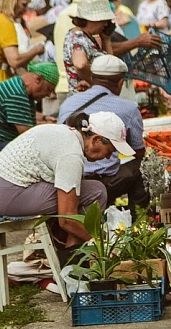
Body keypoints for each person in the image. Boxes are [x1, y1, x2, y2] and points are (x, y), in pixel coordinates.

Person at [0, 111, 132, 248]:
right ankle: (72, 258)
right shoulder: (71, 154)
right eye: (110, 151)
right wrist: (101, 242)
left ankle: (69, 250)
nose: (107, 157)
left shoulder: (64, 132)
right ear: (97, 139)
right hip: (5, 195)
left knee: (82, 190)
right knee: (96, 191)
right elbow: (67, 219)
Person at [48, 0, 161, 116]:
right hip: (86, 102)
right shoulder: (79, 37)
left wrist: (106, 39)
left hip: (93, 100)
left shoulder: (90, 36)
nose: (106, 24)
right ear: (92, 19)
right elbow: (80, 64)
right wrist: (97, 84)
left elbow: (110, 62)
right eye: (104, 20)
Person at [58, 55, 148, 215]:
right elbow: (138, 151)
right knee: (143, 166)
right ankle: (139, 221)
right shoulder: (128, 108)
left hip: (69, 184)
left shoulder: (68, 103)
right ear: (121, 82)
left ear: (92, 77)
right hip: (102, 183)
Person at [0, 62, 59, 164]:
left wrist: (45, 119)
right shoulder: (17, 94)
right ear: (38, 79)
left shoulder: (18, 86)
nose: (48, 94)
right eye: (48, 89)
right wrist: (50, 127)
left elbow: (23, 119)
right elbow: (26, 133)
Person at [0, 0, 45, 88]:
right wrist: (36, 50)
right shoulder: (5, 22)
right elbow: (15, 60)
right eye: (24, 4)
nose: (25, 10)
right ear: (12, 1)